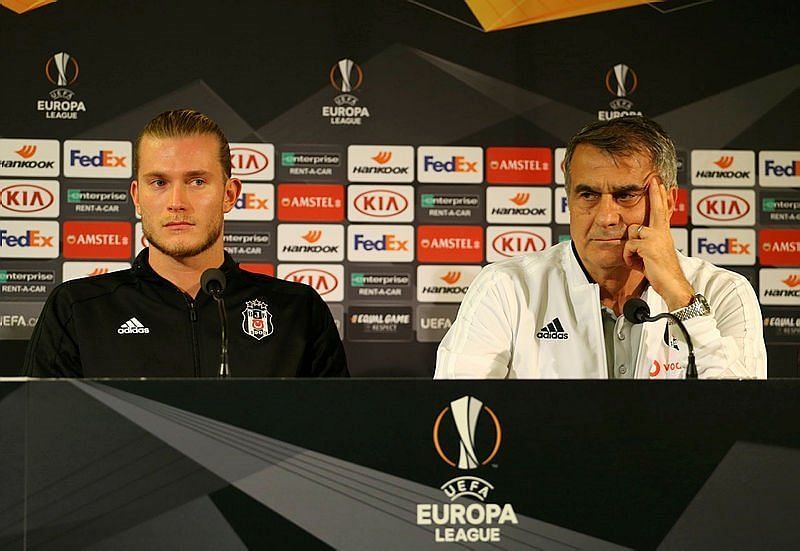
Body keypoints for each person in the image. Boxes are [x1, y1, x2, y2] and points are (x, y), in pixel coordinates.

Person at [435, 116, 766, 379]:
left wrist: (682, 299)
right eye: (588, 194)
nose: (607, 217)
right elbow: (460, 416)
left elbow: (741, 421)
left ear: (667, 201)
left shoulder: (724, 292)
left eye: (625, 195)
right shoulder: (506, 289)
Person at [24, 109, 348, 377]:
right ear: (137, 197)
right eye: (159, 182)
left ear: (229, 194)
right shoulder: (78, 309)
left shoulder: (297, 311)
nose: (177, 202)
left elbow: (334, 442)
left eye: (197, 181)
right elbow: (41, 439)